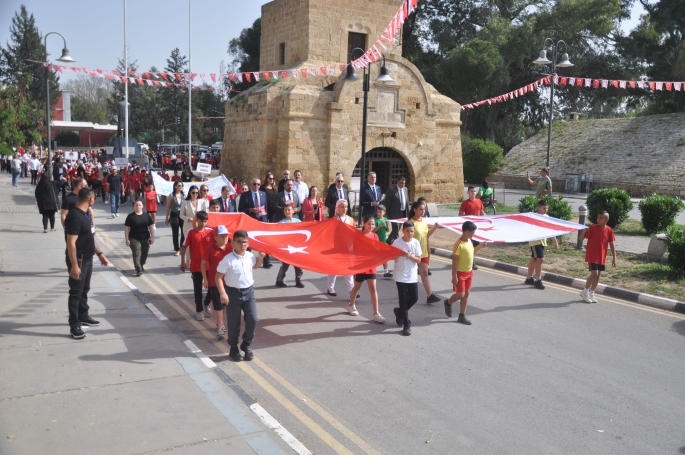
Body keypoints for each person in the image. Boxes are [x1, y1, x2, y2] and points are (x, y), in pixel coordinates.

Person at [64, 188, 109, 339]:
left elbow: (89, 237)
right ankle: (74, 324)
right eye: (94, 198)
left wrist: (100, 253)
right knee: (76, 292)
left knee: (84, 289)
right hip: (79, 259)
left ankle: (83, 316)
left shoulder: (85, 215)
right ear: (90, 199)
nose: (94, 200)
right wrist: (75, 265)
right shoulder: (75, 217)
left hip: (88, 258)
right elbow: (71, 243)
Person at [216, 230, 266, 362]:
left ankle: (246, 344)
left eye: (245, 242)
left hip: (249, 292)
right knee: (234, 323)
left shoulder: (250, 256)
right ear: (233, 243)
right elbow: (218, 277)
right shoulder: (228, 260)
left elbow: (255, 266)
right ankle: (233, 348)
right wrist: (223, 292)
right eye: (239, 242)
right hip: (233, 293)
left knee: (253, 319)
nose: (242, 244)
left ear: (248, 243)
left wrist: (260, 257)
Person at [444, 221, 486, 325]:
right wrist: (454, 277)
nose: (474, 234)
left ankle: (462, 315)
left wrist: (480, 246)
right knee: (460, 294)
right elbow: (454, 261)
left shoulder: (469, 241)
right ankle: (448, 303)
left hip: (469, 272)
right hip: (460, 273)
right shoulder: (458, 244)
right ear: (466, 232)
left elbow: (471, 252)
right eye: (472, 232)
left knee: (466, 294)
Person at [348, 216, 386, 322]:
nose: (371, 226)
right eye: (369, 224)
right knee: (357, 287)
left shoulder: (375, 236)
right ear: (364, 224)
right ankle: (351, 305)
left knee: (373, 288)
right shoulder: (358, 235)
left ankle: (376, 313)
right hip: (360, 266)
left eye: (373, 224)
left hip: (371, 266)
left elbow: (377, 249)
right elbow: (354, 251)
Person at [180, 211, 214, 320]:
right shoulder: (191, 232)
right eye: (201, 221)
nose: (203, 223)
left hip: (210, 266)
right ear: (196, 221)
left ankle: (207, 302)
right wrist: (183, 261)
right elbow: (184, 247)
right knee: (197, 289)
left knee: (213, 288)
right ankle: (199, 310)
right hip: (196, 266)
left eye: (205, 221)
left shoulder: (211, 232)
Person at [202, 225, 232, 340]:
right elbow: (203, 264)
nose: (225, 238)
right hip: (215, 282)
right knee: (218, 305)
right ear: (215, 237)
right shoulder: (210, 249)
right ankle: (220, 328)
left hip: (229, 282)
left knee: (225, 304)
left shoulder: (230, 247)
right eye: (222, 236)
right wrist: (205, 279)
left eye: (226, 235)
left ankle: (220, 323)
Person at [392, 221, 422, 336]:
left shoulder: (415, 243)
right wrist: (399, 254)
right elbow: (391, 255)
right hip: (400, 275)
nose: (410, 233)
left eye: (412, 231)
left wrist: (410, 256)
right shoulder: (397, 242)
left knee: (414, 298)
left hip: (412, 275)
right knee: (403, 299)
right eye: (408, 231)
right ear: (403, 231)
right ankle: (406, 323)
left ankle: (400, 312)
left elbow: (419, 260)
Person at [579, 211, 616, 303]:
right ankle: (585, 291)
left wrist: (614, 258)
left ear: (606, 219)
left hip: (601, 256)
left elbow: (611, 244)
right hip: (592, 255)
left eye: (601, 218)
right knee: (594, 274)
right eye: (598, 218)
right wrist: (584, 231)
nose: (598, 220)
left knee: (598, 276)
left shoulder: (609, 230)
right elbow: (581, 239)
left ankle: (591, 293)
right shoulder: (593, 228)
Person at [409, 201, 441, 304]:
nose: (423, 211)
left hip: (423, 252)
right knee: (411, 274)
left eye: (424, 209)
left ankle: (429, 295)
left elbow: (427, 235)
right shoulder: (411, 223)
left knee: (424, 273)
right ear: (415, 210)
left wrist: (435, 228)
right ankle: (406, 291)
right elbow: (407, 237)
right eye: (421, 209)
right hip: (413, 253)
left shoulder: (424, 222)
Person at [525, 199, 559, 290]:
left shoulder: (546, 217)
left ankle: (529, 278)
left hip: (542, 241)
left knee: (534, 259)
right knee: (540, 259)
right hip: (535, 241)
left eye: (547, 208)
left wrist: (555, 241)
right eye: (544, 208)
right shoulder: (534, 217)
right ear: (538, 208)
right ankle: (538, 280)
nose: (546, 210)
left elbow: (550, 230)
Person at [326, 200, 357, 297]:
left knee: (348, 269)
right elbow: (329, 233)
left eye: (346, 207)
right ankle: (330, 288)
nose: (344, 209)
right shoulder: (334, 219)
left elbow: (354, 233)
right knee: (333, 269)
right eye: (342, 207)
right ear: (338, 208)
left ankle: (352, 290)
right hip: (336, 247)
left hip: (348, 248)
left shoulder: (351, 220)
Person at [275, 205, 306, 288]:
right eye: (285, 210)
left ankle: (298, 280)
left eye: (289, 210)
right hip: (287, 247)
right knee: (285, 264)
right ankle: (279, 280)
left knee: (298, 265)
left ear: (293, 211)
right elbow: (278, 235)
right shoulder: (281, 223)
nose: (287, 212)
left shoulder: (298, 221)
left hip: (296, 246)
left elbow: (302, 233)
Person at [180, 185, 210, 262]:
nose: (195, 194)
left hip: (199, 226)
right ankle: (188, 260)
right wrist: (188, 219)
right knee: (188, 244)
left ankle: (198, 260)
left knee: (197, 244)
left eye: (197, 192)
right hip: (188, 226)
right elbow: (181, 215)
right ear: (190, 193)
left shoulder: (201, 201)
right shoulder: (185, 202)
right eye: (193, 192)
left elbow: (205, 213)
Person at [124, 201, 155, 276]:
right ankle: (138, 269)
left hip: (145, 238)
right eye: (136, 205)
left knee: (144, 254)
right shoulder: (130, 216)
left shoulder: (147, 216)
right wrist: (127, 239)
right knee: (137, 253)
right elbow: (126, 228)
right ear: (134, 206)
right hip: (134, 238)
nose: (138, 206)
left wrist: (152, 237)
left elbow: (151, 226)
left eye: (139, 205)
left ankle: (141, 265)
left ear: (142, 206)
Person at [459, 186, 486, 270]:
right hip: (469, 228)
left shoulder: (479, 201)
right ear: (468, 192)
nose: (473, 193)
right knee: (470, 244)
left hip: (477, 227)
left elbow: (482, 212)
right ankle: (472, 261)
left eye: (474, 191)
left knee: (477, 244)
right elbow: (460, 214)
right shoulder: (465, 203)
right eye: (471, 191)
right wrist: (469, 217)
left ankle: (469, 257)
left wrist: (485, 219)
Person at [382, 176, 409, 243]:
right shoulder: (391, 190)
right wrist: (386, 213)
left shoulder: (405, 189)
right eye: (401, 183)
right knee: (396, 229)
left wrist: (408, 213)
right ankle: (397, 244)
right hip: (394, 213)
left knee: (398, 228)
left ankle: (389, 240)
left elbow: (407, 202)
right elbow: (387, 202)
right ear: (397, 182)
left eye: (404, 183)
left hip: (403, 213)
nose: (403, 185)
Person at [165, 181, 185, 256]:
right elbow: (168, 207)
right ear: (175, 186)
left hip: (182, 215)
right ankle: (177, 249)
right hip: (174, 215)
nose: (180, 187)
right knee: (175, 233)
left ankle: (181, 247)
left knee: (184, 232)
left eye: (181, 186)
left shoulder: (184, 195)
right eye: (179, 185)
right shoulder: (171, 195)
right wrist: (166, 218)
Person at [373, 205, 392, 277]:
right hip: (377, 242)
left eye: (380, 212)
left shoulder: (385, 219)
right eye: (377, 212)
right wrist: (380, 225)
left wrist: (387, 225)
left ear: (384, 213)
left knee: (385, 257)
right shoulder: (375, 220)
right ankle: (371, 269)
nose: (378, 213)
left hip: (384, 241)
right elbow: (373, 231)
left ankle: (386, 271)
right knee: (375, 257)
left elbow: (388, 230)